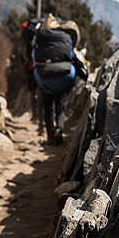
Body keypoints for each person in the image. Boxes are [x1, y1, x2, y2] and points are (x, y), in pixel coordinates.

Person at [31, 14, 78, 145]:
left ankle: (50, 136)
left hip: (45, 77)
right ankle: (60, 130)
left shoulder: (38, 38)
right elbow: (71, 56)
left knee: (48, 108)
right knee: (61, 106)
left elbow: (33, 57)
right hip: (65, 76)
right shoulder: (66, 37)